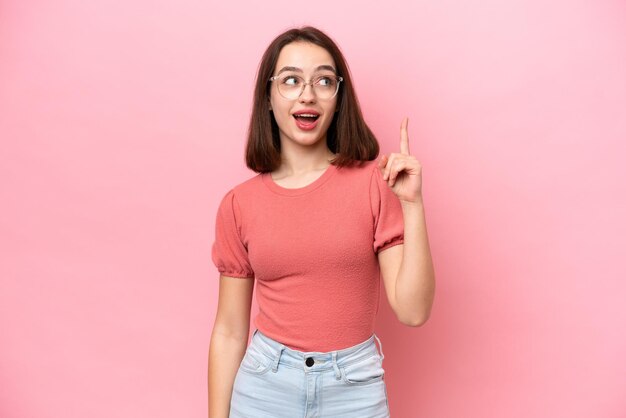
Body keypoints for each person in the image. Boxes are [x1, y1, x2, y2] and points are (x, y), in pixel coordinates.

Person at [207, 25, 436, 418]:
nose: (307, 94)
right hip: (265, 386)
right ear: (268, 96)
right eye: (291, 80)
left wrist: (413, 205)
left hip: (354, 389)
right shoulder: (238, 204)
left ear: (338, 96)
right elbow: (229, 331)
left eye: (324, 80)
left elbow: (413, 312)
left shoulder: (374, 186)